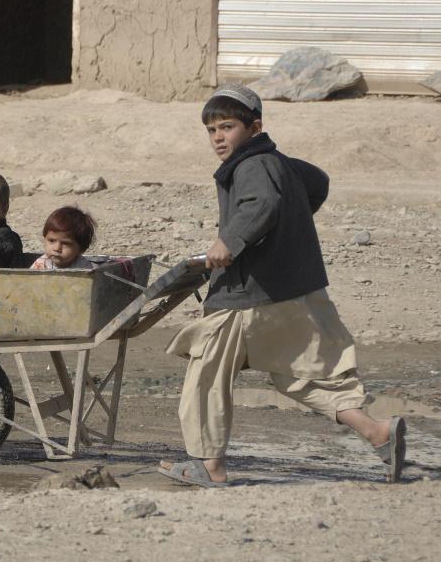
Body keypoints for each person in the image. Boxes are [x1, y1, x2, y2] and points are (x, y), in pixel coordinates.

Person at [157, 84, 406, 487]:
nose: (218, 137)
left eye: (227, 127)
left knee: (206, 373)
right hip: (292, 290)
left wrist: (232, 240)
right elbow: (317, 182)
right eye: (210, 130)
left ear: (254, 127)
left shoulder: (251, 165)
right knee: (295, 376)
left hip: (246, 296)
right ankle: (377, 432)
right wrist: (288, 229)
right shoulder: (280, 162)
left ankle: (209, 466)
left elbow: (261, 206)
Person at [29, 206, 97, 270]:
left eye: (66, 243)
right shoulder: (41, 265)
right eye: (51, 241)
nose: (57, 248)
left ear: (81, 249)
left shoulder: (83, 267)